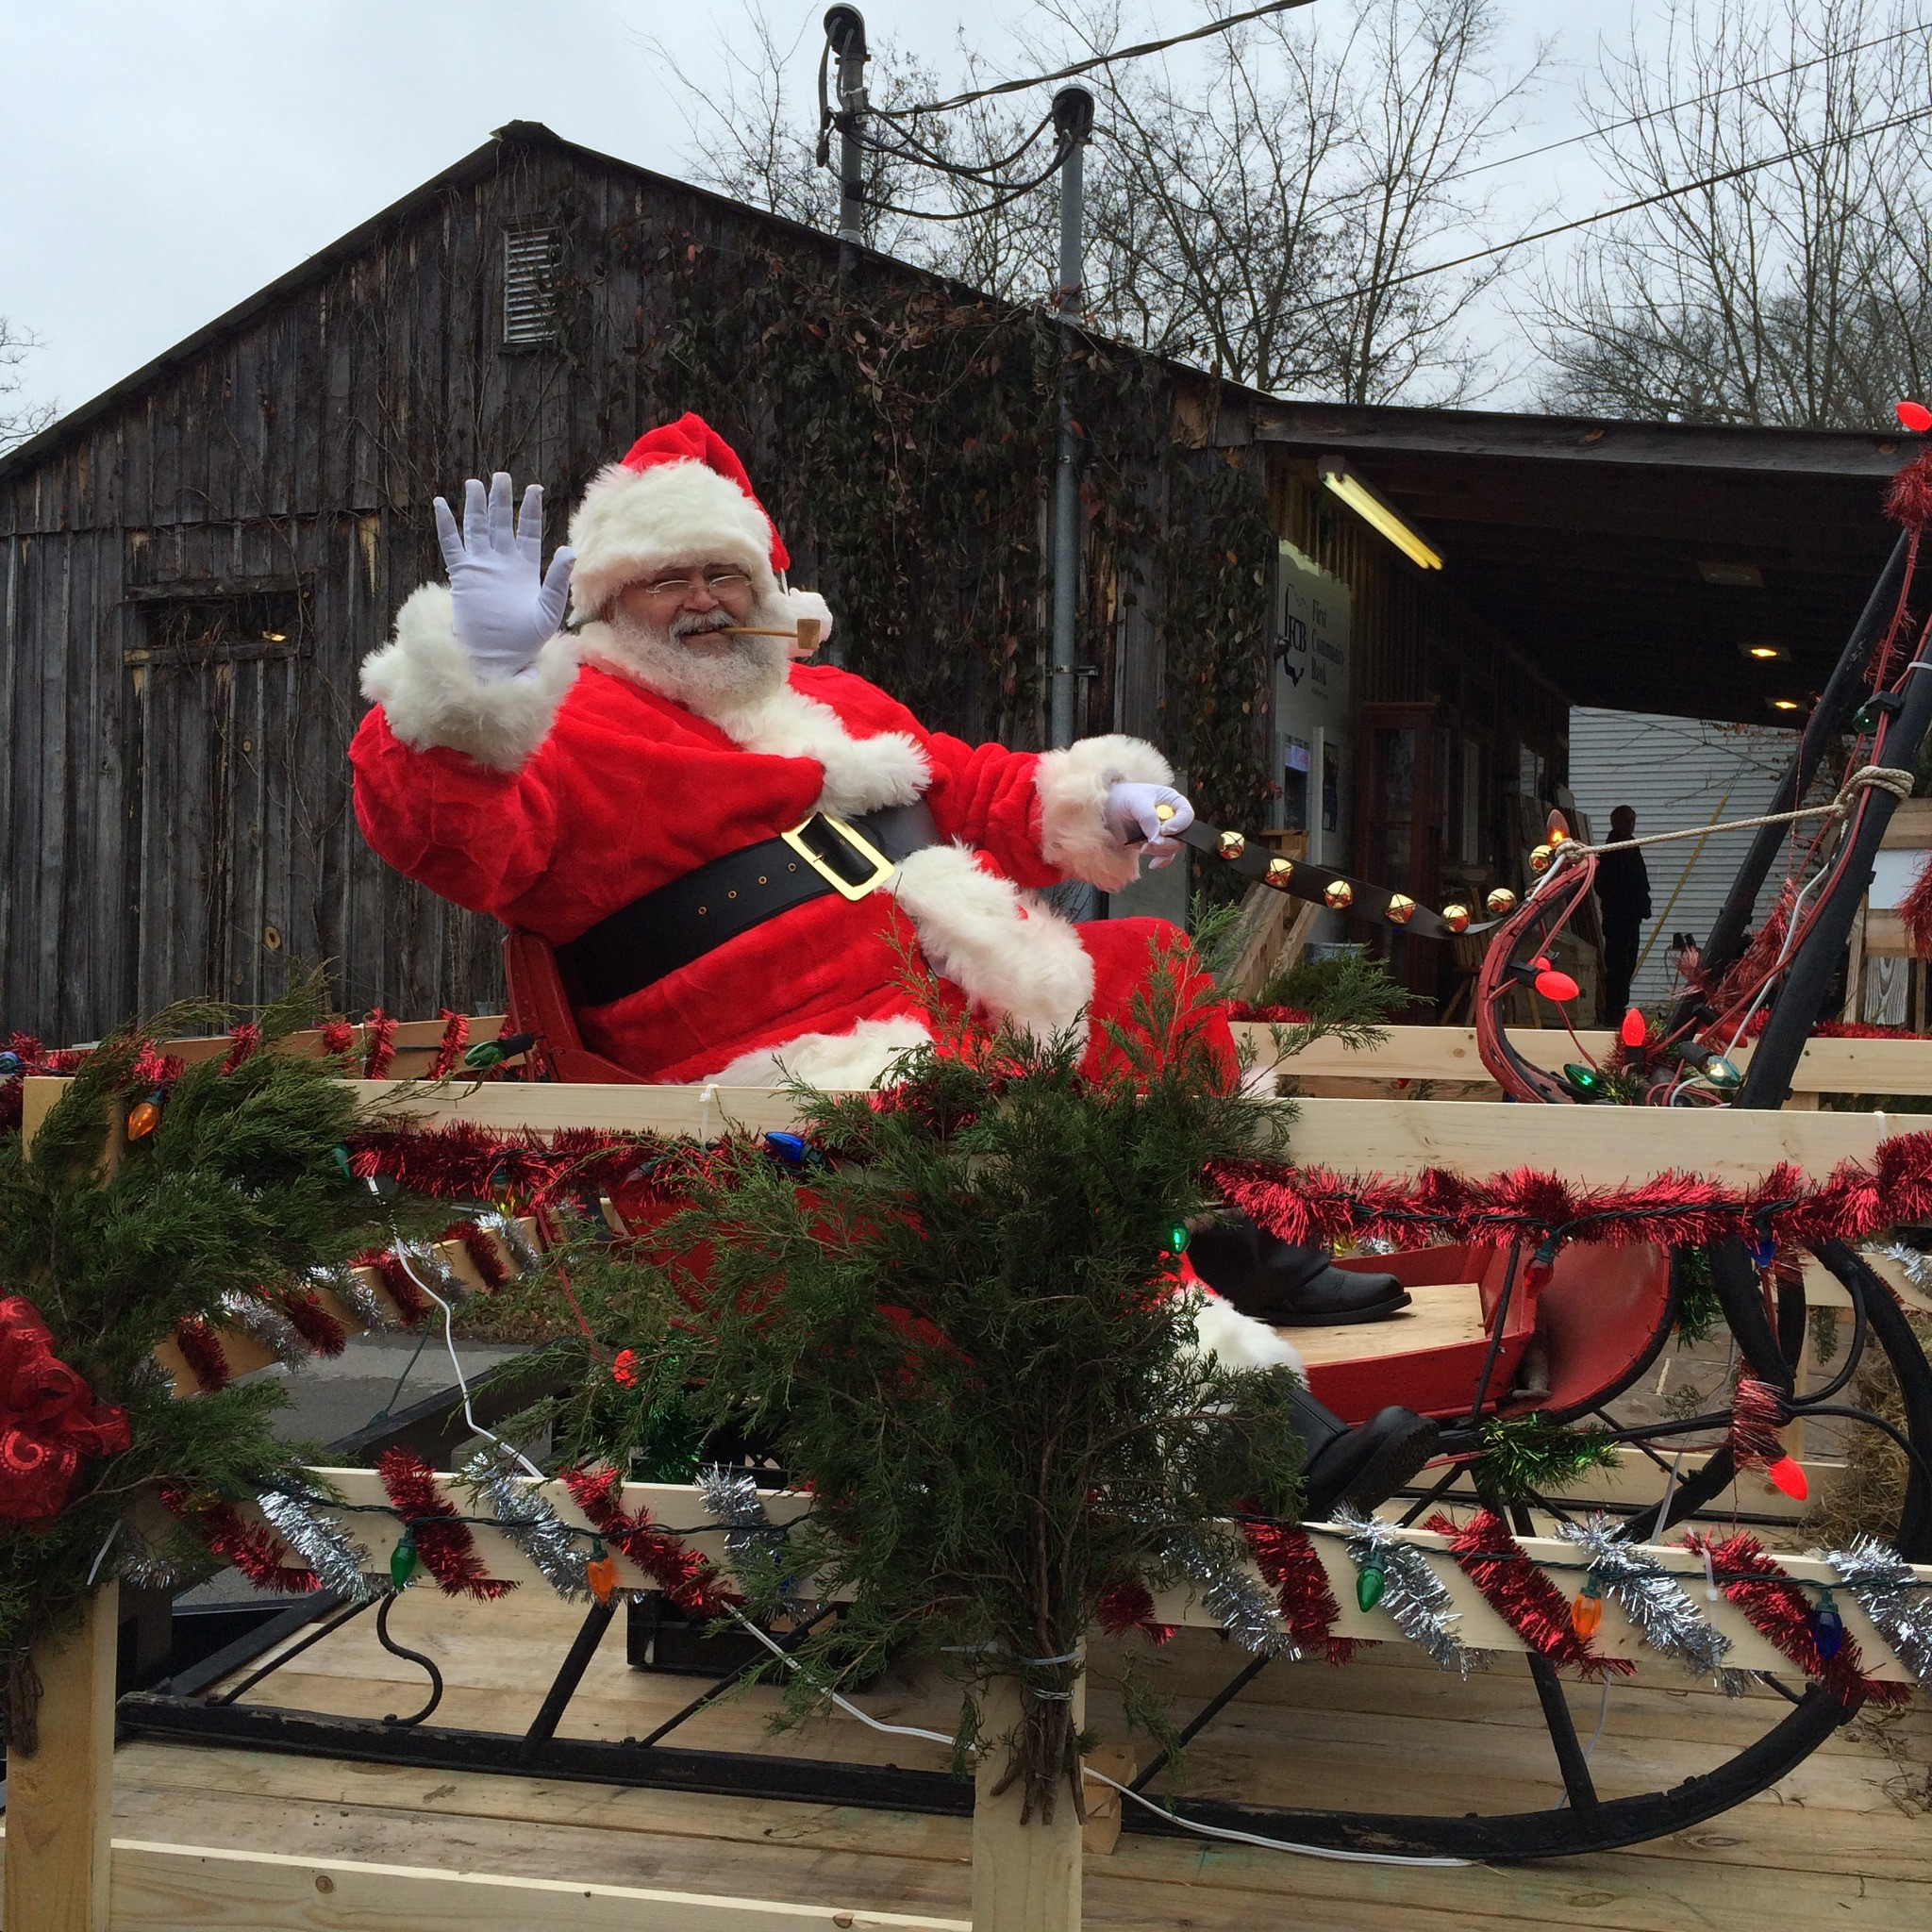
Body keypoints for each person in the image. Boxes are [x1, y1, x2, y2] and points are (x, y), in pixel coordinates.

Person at [348, 414, 1438, 1512]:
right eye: (661, 579)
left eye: (721, 573)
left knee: (1146, 962)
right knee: (998, 1146)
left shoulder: (832, 704)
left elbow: (970, 787)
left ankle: (1236, 1239)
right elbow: (450, 840)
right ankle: (1249, 1432)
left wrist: (1095, 796)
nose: (700, 601)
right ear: (601, 602)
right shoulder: (561, 721)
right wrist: (465, 697)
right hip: (756, 1083)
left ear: (766, 585)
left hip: (940, 1006)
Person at [1595, 804, 1652, 1023]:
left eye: (1632, 821)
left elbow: (1639, 881)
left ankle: (1619, 1007)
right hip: (1617, 917)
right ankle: (1613, 1011)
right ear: (1615, 822)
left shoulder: (1632, 847)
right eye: (1626, 821)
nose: (1630, 825)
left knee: (1628, 963)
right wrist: (1622, 903)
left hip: (1632, 916)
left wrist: (1642, 905)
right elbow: (1604, 885)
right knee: (1618, 963)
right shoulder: (1610, 851)